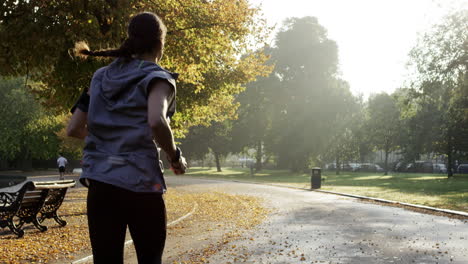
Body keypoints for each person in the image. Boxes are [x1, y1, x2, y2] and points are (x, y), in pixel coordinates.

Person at [66, 12, 187, 264]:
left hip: (100, 185)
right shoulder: (159, 78)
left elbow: (75, 128)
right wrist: (174, 156)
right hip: (141, 185)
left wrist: (109, 138)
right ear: (160, 43)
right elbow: (156, 121)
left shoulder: (99, 77)